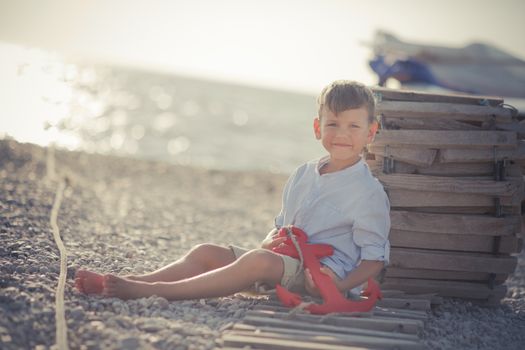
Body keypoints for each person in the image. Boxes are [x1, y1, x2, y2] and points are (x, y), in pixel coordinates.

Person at [75, 80, 391, 300]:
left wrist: (340, 285)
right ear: (317, 127)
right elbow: (279, 229)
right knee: (206, 252)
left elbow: (374, 259)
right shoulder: (303, 174)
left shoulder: (367, 193)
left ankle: (151, 292)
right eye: (333, 124)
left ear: (370, 132)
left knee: (257, 261)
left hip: (318, 278)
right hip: (280, 262)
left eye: (354, 126)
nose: (342, 134)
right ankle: (137, 281)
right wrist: (271, 240)